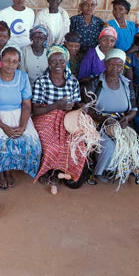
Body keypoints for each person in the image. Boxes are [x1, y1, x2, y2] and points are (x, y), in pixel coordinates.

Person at [0, 46, 41, 190]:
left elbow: (26, 104)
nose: (10, 64)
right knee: (0, 141)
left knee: (32, 142)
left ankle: (10, 169)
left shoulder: (22, 77)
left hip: (19, 114)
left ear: (18, 63)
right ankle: (1, 172)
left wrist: (22, 126)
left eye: (14, 62)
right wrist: (3, 126)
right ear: (0, 60)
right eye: (7, 60)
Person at [31, 46, 86, 195]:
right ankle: (50, 173)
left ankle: (65, 171)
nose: (57, 64)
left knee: (77, 144)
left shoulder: (72, 81)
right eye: (53, 61)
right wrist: (56, 106)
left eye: (61, 61)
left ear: (66, 62)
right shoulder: (41, 82)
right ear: (48, 63)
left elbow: (76, 104)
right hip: (45, 118)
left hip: (67, 119)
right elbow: (35, 110)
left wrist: (80, 107)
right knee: (51, 146)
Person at [83, 49, 139, 183]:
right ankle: (99, 171)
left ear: (123, 66)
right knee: (108, 146)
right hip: (98, 123)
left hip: (121, 123)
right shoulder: (95, 83)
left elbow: (134, 109)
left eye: (119, 65)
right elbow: (86, 109)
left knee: (131, 144)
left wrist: (127, 118)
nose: (115, 69)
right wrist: (104, 119)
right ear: (105, 63)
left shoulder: (127, 84)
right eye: (111, 65)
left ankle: (121, 169)